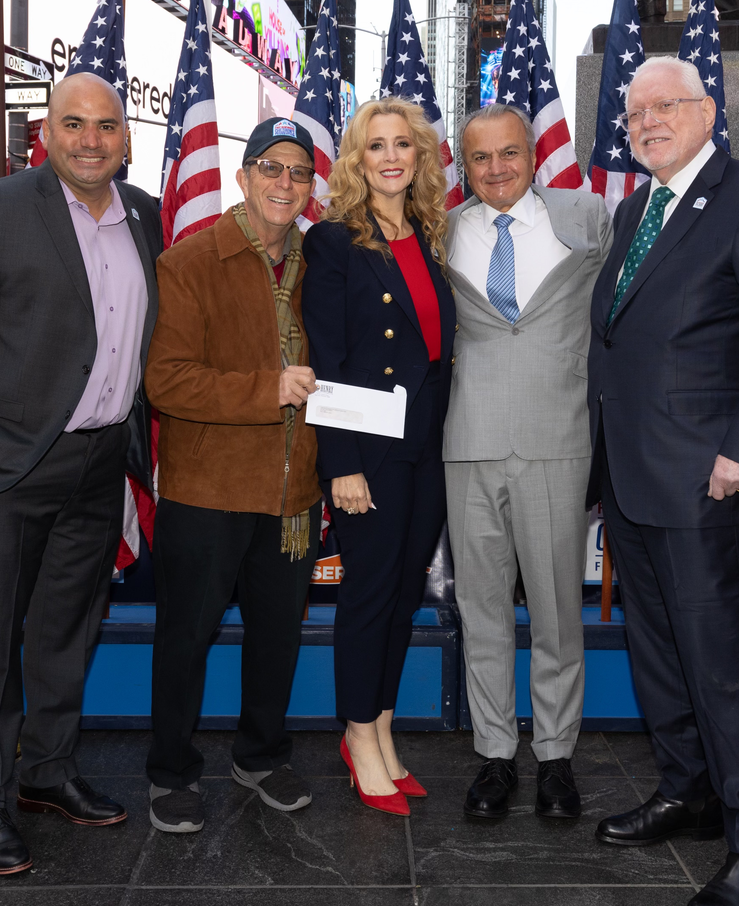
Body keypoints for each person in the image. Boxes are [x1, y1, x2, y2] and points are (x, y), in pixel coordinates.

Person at [0, 73, 159, 877]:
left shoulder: (145, 218)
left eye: (106, 125)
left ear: (126, 136)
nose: (91, 140)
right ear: (44, 134)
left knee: (65, 632)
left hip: (97, 465)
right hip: (5, 469)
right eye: (74, 124)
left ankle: (47, 771)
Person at [587, 57, 739, 906]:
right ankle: (689, 792)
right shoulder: (635, 209)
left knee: (723, 665)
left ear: (707, 111)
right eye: (635, 112)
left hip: (708, 480)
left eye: (664, 106)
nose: (646, 121)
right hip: (633, 476)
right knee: (658, 656)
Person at [141, 117, 324, 834]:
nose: (285, 182)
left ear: (311, 188)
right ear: (243, 177)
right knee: (185, 638)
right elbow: (168, 382)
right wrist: (269, 388)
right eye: (271, 168)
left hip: (291, 494)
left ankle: (261, 754)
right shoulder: (187, 263)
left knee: (277, 637)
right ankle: (171, 770)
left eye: (299, 172)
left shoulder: (323, 262)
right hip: (207, 492)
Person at [442, 103, 612, 821]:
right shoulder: (438, 230)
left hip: (558, 440)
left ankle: (555, 757)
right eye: (479, 159)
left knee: (555, 613)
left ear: (533, 153)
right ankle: (492, 756)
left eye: (508, 153)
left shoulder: (590, 218)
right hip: (469, 443)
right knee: (480, 611)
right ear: (462, 164)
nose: (496, 169)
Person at [302, 97, 455, 817]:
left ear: (420, 156)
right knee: (367, 598)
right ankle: (358, 735)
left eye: (403, 145)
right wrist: (341, 463)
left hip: (425, 451)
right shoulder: (333, 242)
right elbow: (326, 356)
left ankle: (384, 728)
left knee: (401, 598)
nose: (391, 157)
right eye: (376, 146)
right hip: (367, 453)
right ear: (357, 161)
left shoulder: (427, 235)